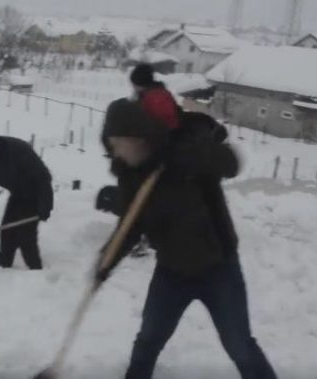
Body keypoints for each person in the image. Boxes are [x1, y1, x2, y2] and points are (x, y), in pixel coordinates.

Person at [96, 99, 277, 379]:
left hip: (219, 268)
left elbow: (232, 163)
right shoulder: (131, 177)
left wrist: (195, 155)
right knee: (148, 340)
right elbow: (130, 226)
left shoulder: (183, 153)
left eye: (118, 143)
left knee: (239, 345)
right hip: (171, 272)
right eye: (112, 145)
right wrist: (105, 262)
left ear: (138, 138)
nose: (115, 152)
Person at [0, 127, 53, 270]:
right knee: (7, 231)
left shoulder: (16, 150)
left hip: (36, 192)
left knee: (26, 236)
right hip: (18, 193)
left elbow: (43, 177)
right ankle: (4, 264)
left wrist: (46, 205)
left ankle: (36, 270)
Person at [130, 63, 180, 130]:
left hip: (164, 136)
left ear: (139, 83)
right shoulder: (153, 94)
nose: (133, 87)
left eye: (133, 84)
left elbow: (163, 124)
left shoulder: (156, 98)